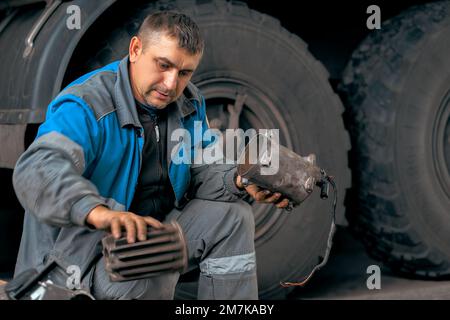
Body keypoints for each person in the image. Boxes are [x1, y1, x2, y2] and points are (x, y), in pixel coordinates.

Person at [12, 11, 288, 300]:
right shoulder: (86, 105)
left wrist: (239, 180)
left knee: (234, 216)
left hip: (145, 241)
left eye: (184, 72)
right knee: (154, 269)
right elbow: (37, 169)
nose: (171, 84)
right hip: (76, 263)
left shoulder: (189, 104)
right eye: (163, 65)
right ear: (135, 50)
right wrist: (98, 213)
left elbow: (202, 168)